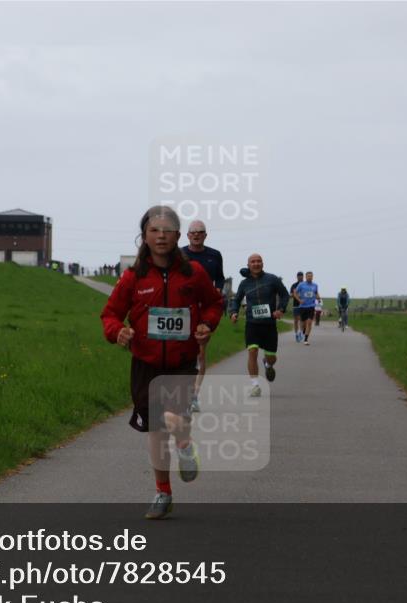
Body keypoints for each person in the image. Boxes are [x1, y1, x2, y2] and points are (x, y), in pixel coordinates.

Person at [101, 206, 224, 520]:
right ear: (144, 236)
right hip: (146, 363)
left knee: (171, 415)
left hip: (181, 361)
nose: (161, 236)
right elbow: (110, 314)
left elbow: (214, 303)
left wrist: (207, 324)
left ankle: (183, 445)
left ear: (178, 236)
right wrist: (118, 332)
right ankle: (163, 492)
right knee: (155, 429)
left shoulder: (193, 273)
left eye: (167, 230)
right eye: (154, 230)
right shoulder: (133, 277)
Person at [228, 254, 290, 397]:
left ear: (262, 264)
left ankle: (268, 364)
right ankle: (255, 385)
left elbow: (285, 295)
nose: (256, 264)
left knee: (271, 357)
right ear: (248, 265)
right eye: (253, 262)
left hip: (269, 324)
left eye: (258, 261)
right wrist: (233, 312)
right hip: (252, 323)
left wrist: (280, 309)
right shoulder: (244, 283)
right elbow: (236, 300)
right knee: (252, 351)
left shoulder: (272, 279)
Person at [181, 220, 225, 413]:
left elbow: (220, 278)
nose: (196, 235)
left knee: (200, 353)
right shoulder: (180, 254)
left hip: (204, 309)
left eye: (200, 232)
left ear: (205, 235)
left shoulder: (214, 255)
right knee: (182, 352)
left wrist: (218, 289)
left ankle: (194, 396)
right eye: (193, 232)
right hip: (183, 308)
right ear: (187, 235)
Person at [294, 271, 320, 345]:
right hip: (303, 307)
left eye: (311, 276)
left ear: (312, 277)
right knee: (303, 324)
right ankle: (301, 332)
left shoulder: (315, 285)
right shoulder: (301, 284)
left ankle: (306, 339)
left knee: (309, 322)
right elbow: (295, 293)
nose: (310, 277)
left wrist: (318, 297)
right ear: (306, 277)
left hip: (311, 306)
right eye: (308, 276)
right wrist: (299, 300)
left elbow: (316, 293)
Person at [288, 271, 304, 342]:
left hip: (303, 305)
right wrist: (295, 294)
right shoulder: (294, 285)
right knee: (295, 320)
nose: (300, 277)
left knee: (302, 320)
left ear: (303, 277)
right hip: (295, 304)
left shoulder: (305, 284)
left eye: (301, 276)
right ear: (297, 277)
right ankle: (296, 333)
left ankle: (301, 333)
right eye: (299, 276)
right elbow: (291, 294)